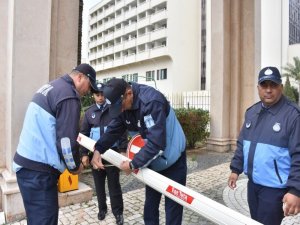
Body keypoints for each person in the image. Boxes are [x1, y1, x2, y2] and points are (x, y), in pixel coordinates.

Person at [90, 78, 187, 225]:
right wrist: (98, 149)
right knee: (150, 210)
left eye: (121, 106)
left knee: (172, 211)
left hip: (174, 161)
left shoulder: (151, 102)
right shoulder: (122, 104)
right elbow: (114, 129)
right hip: (154, 162)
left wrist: (132, 164)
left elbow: (156, 143)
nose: (120, 110)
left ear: (129, 93)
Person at [13, 63, 98, 225]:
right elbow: (66, 142)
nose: (89, 91)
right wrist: (75, 167)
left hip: (25, 168)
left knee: (36, 220)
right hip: (39, 173)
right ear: (80, 77)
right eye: (89, 86)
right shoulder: (69, 96)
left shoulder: (51, 86)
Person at [228, 66, 300, 225]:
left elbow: (298, 155)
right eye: (264, 85)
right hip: (253, 185)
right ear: (258, 88)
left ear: (280, 87)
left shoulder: (293, 115)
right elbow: (242, 143)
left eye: (273, 85)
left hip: (274, 190)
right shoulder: (251, 112)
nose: (268, 90)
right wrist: (235, 169)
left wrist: (295, 190)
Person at [80, 83, 127, 225]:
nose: (100, 98)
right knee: (99, 185)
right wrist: (84, 154)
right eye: (97, 95)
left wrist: (124, 150)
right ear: (93, 95)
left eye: (102, 94)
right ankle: (102, 209)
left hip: (112, 153)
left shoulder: (113, 110)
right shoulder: (89, 113)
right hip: (95, 154)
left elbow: (122, 131)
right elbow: (84, 134)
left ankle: (118, 212)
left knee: (114, 185)